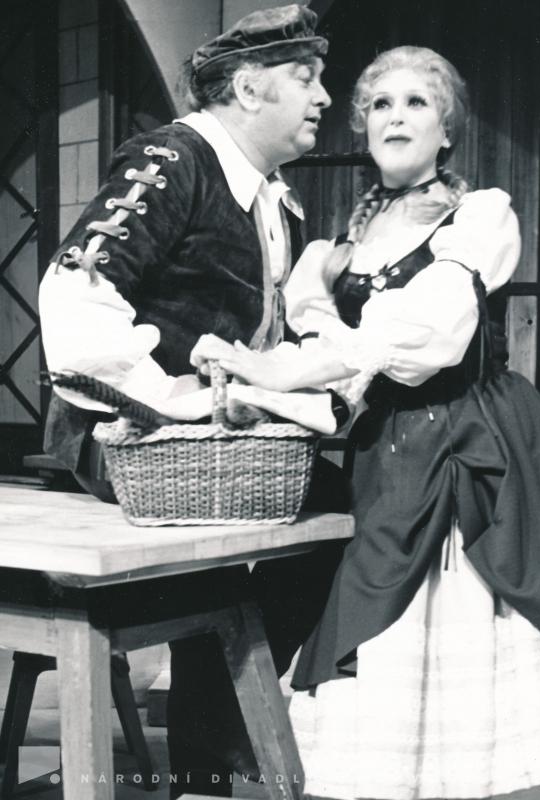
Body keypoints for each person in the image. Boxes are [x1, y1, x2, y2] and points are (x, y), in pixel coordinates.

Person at [197, 45, 540, 799]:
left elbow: (433, 335)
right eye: (381, 104)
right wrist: (253, 380)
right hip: (387, 451)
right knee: (372, 614)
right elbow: (334, 373)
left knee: (465, 621)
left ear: (447, 129)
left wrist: (291, 369)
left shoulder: (479, 217)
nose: (396, 117)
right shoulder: (332, 254)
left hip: (480, 441)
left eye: (418, 103)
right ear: (362, 124)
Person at [38, 6, 345, 797]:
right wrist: (168, 402)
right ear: (248, 89)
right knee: (307, 527)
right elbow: (76, 290)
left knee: (335, 515)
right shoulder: (175, 159)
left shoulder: (275, 198)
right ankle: (216, 757)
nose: (324, 97)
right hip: (131, 442)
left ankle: (216, 750)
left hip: (215, 448)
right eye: (305, 79)